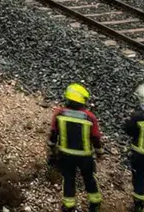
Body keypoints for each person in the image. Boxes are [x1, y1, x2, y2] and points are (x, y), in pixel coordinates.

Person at [48, 83, 104, 212]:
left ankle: (69, 206)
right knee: (89, 178)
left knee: (68, 179)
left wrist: (52, 148)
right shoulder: (89, 117)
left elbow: (54, 133)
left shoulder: (60, 114)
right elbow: (95, 137)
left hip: (65, 155)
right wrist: (99, 152)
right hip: (85, 157)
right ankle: (95, 203)